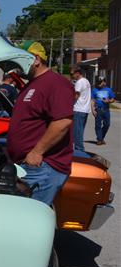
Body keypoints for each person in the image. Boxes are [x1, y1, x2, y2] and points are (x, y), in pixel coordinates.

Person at [6, 42, 73, 206]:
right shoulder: (32, 84)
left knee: (30, 217)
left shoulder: (55, 83)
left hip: (42, 167)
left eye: (20, 60)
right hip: (28, 166)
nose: (17, 66)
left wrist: (37, 152)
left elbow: (63, 121)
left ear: (36, 59)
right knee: (21, 215)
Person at [70, 66, 92, 152]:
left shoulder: (79, 82)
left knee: (77, 132)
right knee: (80, 131)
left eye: (72, 74)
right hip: (85, 109)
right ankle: (79, 150)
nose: (71, 76)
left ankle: (79, 151)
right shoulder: (86, 81)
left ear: (78, 73)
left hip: (78, 109)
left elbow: (76, 95)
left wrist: (68, 103)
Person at [91, 77, 115, 145]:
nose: (99, 84)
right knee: (98, 125)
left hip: (106, 109)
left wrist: (108, 101)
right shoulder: (94, 90)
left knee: (107, 125)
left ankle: (101, 137)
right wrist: (93, 110)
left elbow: (113, 99)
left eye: (100, 82)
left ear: (104, 82)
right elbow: (92, 100)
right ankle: (99, 139)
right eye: (98, 82)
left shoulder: (108, 90)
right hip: (98, 109)